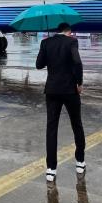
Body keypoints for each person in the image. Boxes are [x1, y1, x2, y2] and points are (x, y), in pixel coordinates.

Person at [36, 23, 86, 182]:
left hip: (51, 91)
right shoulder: (71, 42)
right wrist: (79, 83)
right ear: (69, 32)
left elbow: (39, 65)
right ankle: (80, 161)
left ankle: (51, 169)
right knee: (76, 124)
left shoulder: (46, 42)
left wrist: (48, 52)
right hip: (70, 90)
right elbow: (77, 62)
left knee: (51, 128)